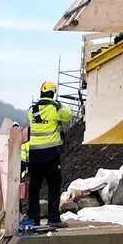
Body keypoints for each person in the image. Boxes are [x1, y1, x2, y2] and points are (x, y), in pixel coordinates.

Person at [23, 80, 72, 228]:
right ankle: (53, 218)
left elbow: (33, 123)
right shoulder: (56, 109)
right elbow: (67, 116)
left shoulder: (32, 110)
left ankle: (33, 218)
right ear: (53, 93)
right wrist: (58, 104)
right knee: (54, 186)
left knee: (34, 187)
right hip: (51, 154)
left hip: (34, 155)